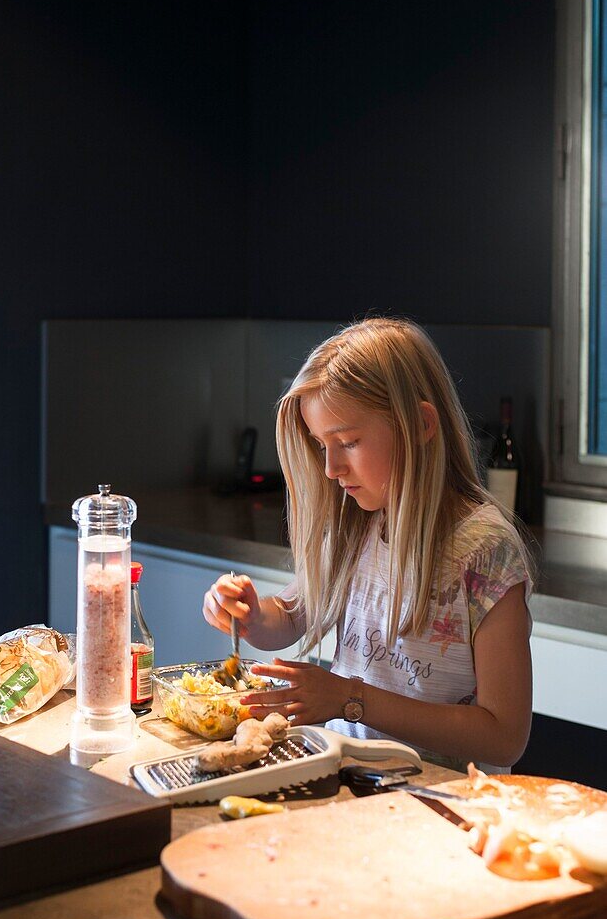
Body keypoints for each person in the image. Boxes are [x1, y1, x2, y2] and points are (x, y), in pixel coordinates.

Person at [202, 317, 534, 771]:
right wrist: (253, 614)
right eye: (321, 446)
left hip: (440, 802)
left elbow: (503, 737)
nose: (330, 468)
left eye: (348, 442)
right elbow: (294, 616)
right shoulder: (355, 522)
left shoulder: (485, 551)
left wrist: (348, 698)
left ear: (420, 424)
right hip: (347, 777)